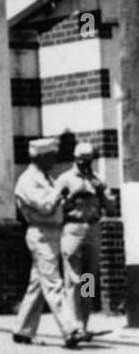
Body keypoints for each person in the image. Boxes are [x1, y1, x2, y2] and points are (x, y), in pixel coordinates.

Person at [12, 137, 83, 349]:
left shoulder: (50, 178)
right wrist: (60, 192)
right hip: (53, 234)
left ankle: (23, 329)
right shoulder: (31, 180)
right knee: (59, 282)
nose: (54, 161)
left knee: (42, 283)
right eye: (51, 156)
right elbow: (45, 206)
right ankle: (72, 328)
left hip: (80, 232)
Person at [55, 141, 107, 339]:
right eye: (82, 161)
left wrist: (100, 190)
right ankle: (72, 325)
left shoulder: (97, 180)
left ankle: (84, 323)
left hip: (92, 227)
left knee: (88, 279)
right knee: (73, 279)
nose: (86, 165)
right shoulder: (65, 179)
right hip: (73, 228)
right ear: (76, 160)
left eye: (89, 161)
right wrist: (67, 199)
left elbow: (110, 207)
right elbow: (54, 205)